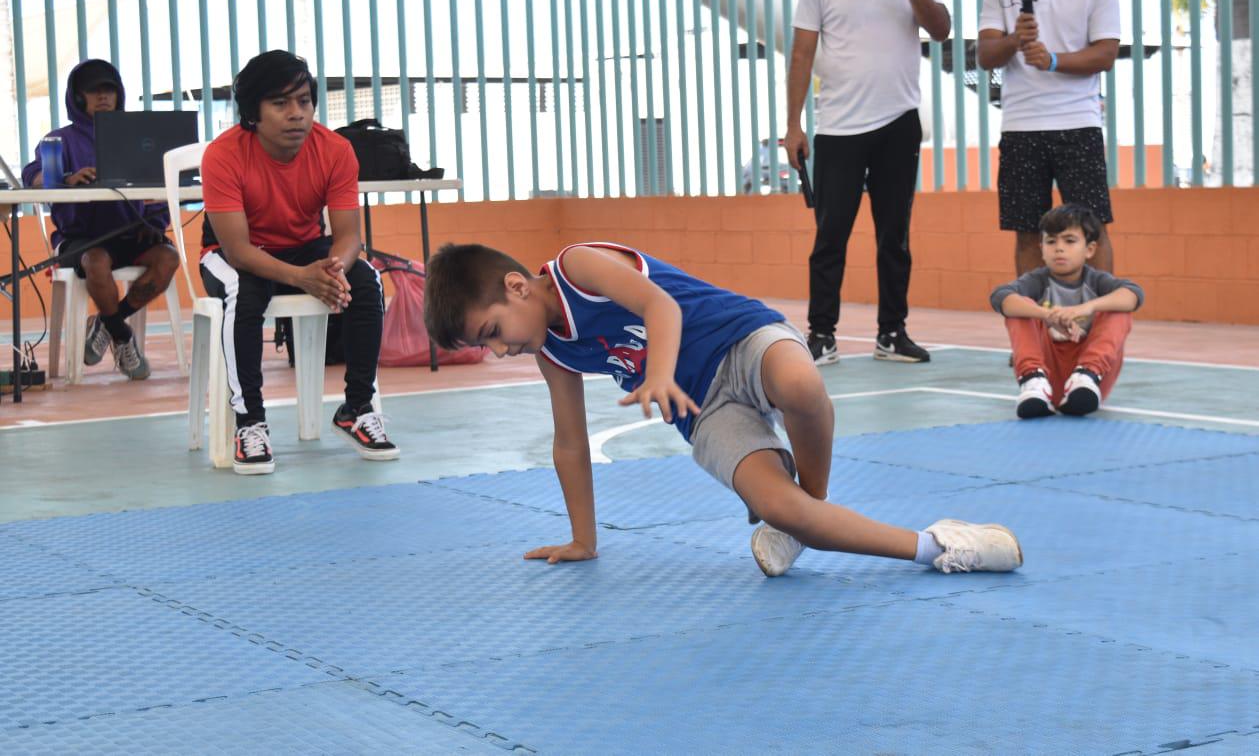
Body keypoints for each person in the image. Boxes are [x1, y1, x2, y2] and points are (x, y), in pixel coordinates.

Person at [423, 240, 1023, 578]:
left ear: (517, 286)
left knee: (801, 386)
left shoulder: (577, 267)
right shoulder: (552, 351)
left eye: (492, 332)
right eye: (485, 346)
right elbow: (569, 442)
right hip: (704, 409)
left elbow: (661, 308)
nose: (499, 350)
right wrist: (584, 539)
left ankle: (811, 504)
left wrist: (659, 374)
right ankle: (939, 545)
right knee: (776, 506)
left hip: (743, 340)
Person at [199, 50, 396, 475]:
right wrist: (303, 278)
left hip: (305, 248)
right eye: (280, 103)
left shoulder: (336, 150)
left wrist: (333, 270)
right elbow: (237, 250)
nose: (296, 114)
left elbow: (348, 237)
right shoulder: (223, 155)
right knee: (242, 291)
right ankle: (250, 422)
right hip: (232, 254)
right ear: (253, 113)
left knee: (366, 281)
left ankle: (357, 408)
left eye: (304, 101)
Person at [784, 0, 951, 368]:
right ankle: (821, 335)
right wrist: (793, 125)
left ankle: (892, 333)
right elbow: (802, 53)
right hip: (838, 128)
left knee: (894, 236)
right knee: (830, 236)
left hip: (898, 122)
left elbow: (941, 29)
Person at [978, 0, 1121, 280]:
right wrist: (1014, 40)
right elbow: (985, 55)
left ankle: (1101, 314)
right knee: (1027, 232)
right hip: (1021, 127)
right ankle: (1034, 317)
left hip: (1078, 125)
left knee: (1092, 228)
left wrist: (1053, 60)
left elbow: (1105, 54)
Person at [20, 58, 178, 381]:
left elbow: (159, 184)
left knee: (168, 258)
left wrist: (154, 223)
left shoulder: (137, 136)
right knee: (96, 261)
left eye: (109, 90)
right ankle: (122, 334)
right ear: (78, 98)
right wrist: (65, 178)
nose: (103, 96)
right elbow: (32, 176)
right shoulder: (60, 139)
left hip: (133, 232)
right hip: (81, 239)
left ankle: (106, 322)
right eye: (94, 91)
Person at [990, 204, 1142, 418]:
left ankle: (1086, 375)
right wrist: (1048, 315)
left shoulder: (1097, 281)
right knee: (1019, 305)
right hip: (1047, 374)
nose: (1059, 248)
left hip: (1091, 382)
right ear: (1041, 248)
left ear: (1089, 249)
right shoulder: (1036, 281)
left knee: (1117, 308)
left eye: (1069, 241)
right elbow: (1000, 297)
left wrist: (1084, 308)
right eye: (1051, 241)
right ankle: (1033, 380)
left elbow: (1133, 294)